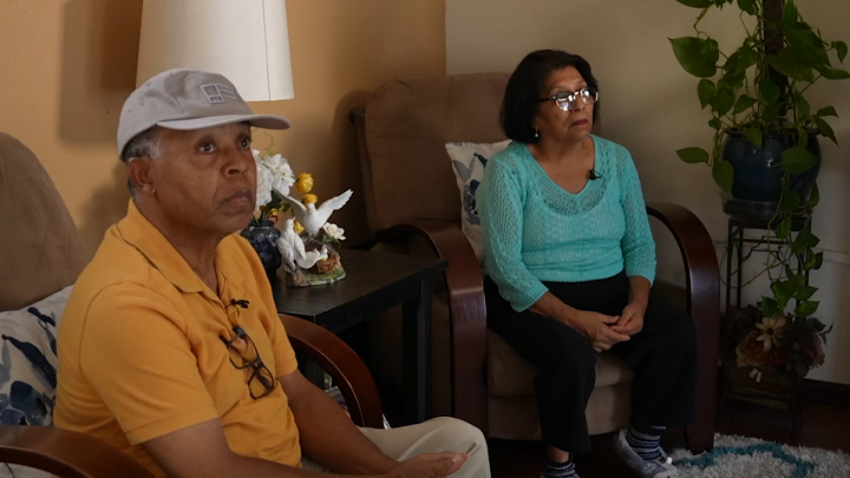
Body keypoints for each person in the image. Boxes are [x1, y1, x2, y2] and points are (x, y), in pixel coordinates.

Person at [54, 68, 490, 478]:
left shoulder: (235, 253)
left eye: (243, 142)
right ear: (145, 175)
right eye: (207, 148)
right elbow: (214, 471)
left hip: (284, 458)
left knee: (460, 443)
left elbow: (296, 393)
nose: (240, 164)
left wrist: (386, 471)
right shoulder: (126, 301)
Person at [477, 50, 697, 478]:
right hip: (532, 296)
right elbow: (505, 267)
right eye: (562, 97)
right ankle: (559, 469)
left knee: (676, 330)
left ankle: (643, 440)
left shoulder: (616, 159)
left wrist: (638, 304)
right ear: (532, 113)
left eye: (585, 92)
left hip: (608, 286)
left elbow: (638, 242)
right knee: (571, 354)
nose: (580, 105)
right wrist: (577, 321)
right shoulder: (508, 170)